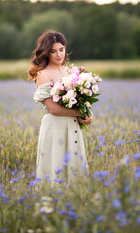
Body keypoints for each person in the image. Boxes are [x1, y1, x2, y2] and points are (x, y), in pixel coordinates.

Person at [28, 30, 93, 186]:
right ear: (46, 53)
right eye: (53, 51)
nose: (58, 54)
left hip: (73, 127)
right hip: (54, 127)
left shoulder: (70, 72)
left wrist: (87, 116)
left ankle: (76, 204)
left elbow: (78, 103)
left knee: (75, 167)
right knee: (55, 168)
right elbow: (54, 109)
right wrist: (80, 111)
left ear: (65, 48)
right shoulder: (44, 74)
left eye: (61, 49)